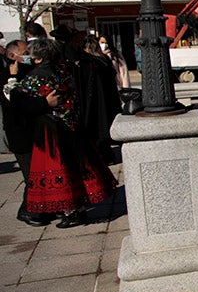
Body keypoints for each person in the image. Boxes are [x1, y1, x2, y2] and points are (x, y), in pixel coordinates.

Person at [12, 38, 117, 228]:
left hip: (50, 132)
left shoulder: (36, 77)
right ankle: (77, 209)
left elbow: (21, 103)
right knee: (75, 169)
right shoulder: (63, 73)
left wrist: (13, 86)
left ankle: (70, 212)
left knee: (60, 171)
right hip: (71, 126)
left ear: (38, 57)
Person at [1, 40, 50, 226]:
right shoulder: (5, 78)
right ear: (13, 56)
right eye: (25, 52)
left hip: (33, 132)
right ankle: (27, 210)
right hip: (19, 134)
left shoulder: (28, 74)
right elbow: (15, 105)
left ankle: (39, 208)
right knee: (30, 175)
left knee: (37, 173)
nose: (28, 55)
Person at [77, 35, 122, 163]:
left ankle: (103, 156)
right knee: (104, 129)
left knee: (98, 131)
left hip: (95, 102)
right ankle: (107, 155)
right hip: (108, 100)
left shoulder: (89, 63)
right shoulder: (104, 61)